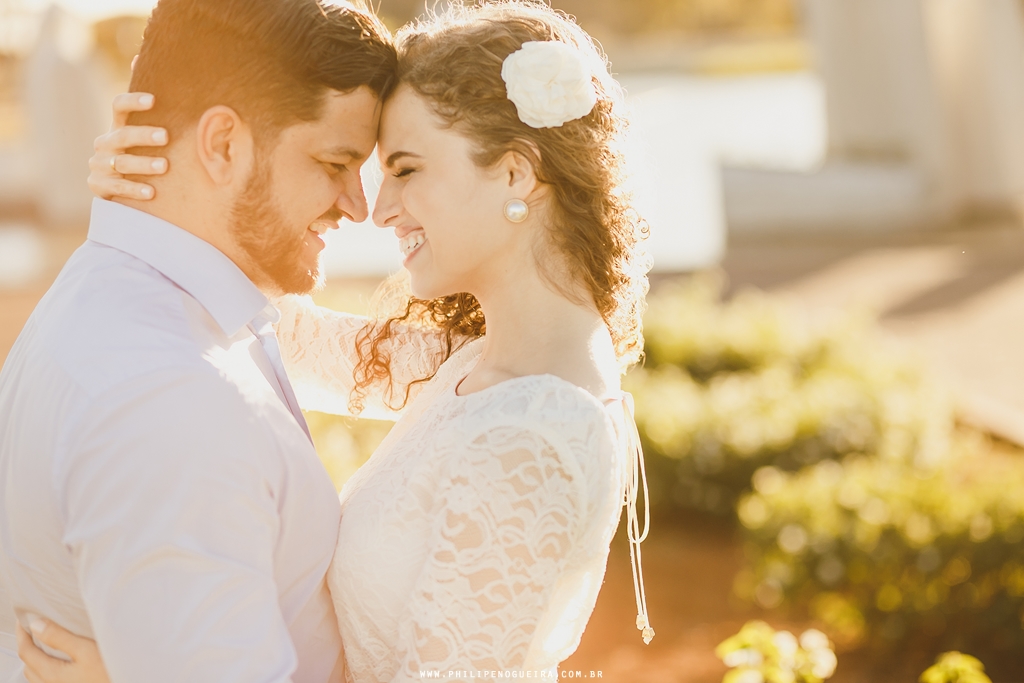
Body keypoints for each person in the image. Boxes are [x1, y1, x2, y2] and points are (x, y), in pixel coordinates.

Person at [15, 2, 655, 682]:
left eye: (405, 169)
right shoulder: (485, 360)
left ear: (516, 174)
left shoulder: (531, 437)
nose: (375, 209)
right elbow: (295, 336)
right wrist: (159, 187)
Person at [0, 0, 396, 681]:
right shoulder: (168, 399)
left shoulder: (145, 295)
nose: (358, 205)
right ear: (221, 144)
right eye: (336, 161)